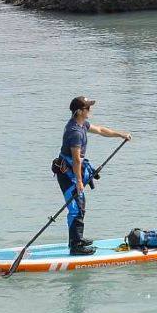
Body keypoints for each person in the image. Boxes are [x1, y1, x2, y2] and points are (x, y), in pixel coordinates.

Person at [57, 96, 131, 255]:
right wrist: (78, 181)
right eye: (88, 108)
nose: (90, 110)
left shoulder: (82, 125)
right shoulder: (75, 132)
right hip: (68, 175)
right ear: (80, 111)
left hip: (73, 172)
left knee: (80, 206)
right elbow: (76, 160)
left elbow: (101, 130)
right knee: (76, 209)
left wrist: (120, 134)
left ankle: (76, 239)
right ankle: (76, 247)